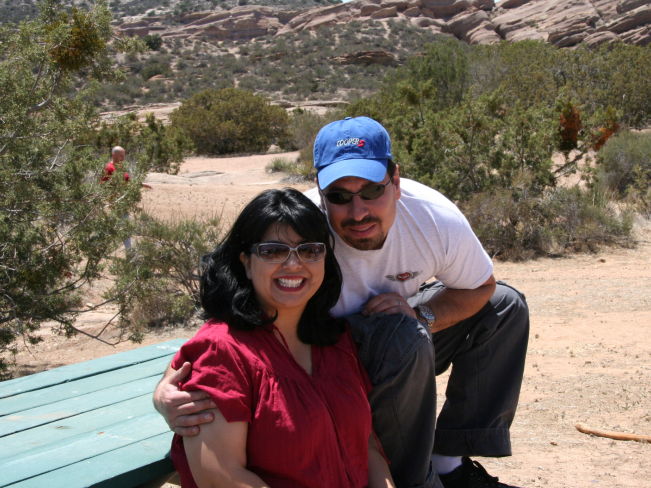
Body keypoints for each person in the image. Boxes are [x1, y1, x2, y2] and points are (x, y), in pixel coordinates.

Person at [155, 117, 530, 488]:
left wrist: (424, 314)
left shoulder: (433, 217)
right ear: (320, 191)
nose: (358, 211)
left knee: (503, 306)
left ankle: (448, 463)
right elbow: (228, 322)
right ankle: (416, 479)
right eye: (339, 196)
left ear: (396, 181)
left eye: (371, 191)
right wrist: (165, 391)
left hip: (340, 351)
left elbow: (481, 286)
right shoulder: (302, 225)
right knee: (405, 335)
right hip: (330, 345)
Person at [169, 188, 393, 488]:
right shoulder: (222, 351)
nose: (292, 264)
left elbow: (366, 446)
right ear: (246, 263)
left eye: (309, 250)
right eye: (273, 251)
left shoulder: (336, 341)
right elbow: (219, 477)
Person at [101, 146, 151, 250]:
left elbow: (127, 181)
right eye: (121, 156)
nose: (123, 158)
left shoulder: (120, 167)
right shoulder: (109, 168)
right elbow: (103, 185)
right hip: (116, 203)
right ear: (114, 155)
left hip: (122, 202)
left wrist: (141, 184)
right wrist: (113, 195)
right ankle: (129, 253)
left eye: (124, 156)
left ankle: (127, 252)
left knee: (116, 227)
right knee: (121, 227)